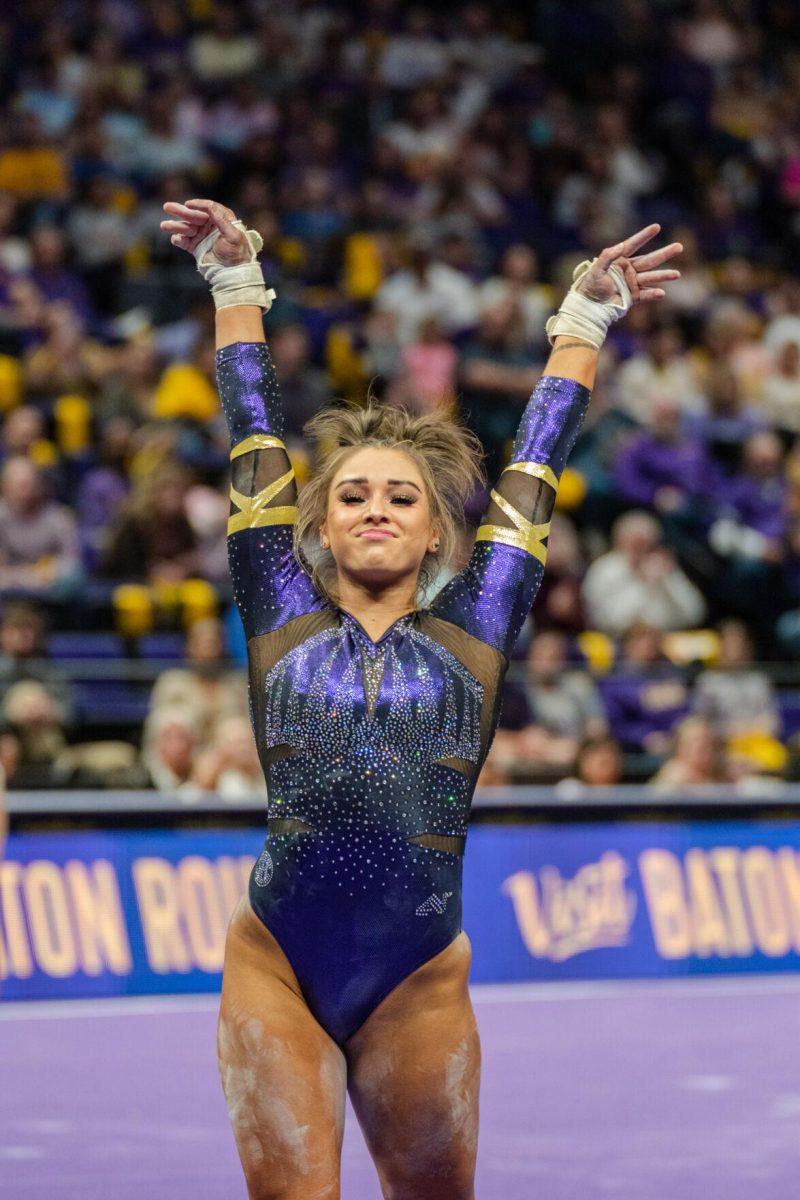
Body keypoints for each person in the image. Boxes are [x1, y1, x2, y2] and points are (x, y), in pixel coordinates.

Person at [161, 195, 680, 1198]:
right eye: (351, 494)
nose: (374, 509)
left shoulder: (476, 630)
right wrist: (235, 289)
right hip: (277, 961)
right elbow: (253, 437)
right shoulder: (279, 611)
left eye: (401, 496)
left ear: (439, 535)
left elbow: (534, 471)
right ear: (316, 524)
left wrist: (581, 325)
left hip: (416, 978)